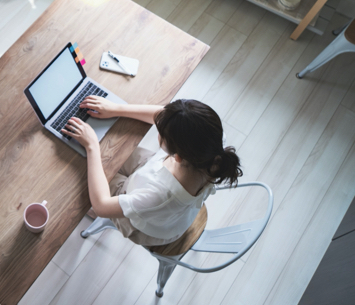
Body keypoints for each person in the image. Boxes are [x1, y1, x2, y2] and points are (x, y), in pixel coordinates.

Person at [62, 98, 242, 247]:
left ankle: (98, 212)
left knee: (87, 165)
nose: (158, 128)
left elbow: (102, 206)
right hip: (150, 178)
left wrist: (92, 146)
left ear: (176, 157)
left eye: (161, 133)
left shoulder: (160, 197)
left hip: (147, 222)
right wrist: (117, 109)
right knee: (112, 150)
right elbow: (165, 115)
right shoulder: (213, 144)